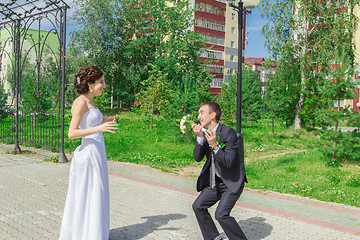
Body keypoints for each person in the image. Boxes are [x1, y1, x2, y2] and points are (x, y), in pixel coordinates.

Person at [59, 66, 118, 240]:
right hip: (87, 155)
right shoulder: (80, 102)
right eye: (101, 82)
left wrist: (104, 120)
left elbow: (90, 122)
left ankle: (94, 232)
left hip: (97, 151)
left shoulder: (91, 102)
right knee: (88, 193)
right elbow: (72, 133)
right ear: (90, 83)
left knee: (97, 193)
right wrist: (100, 127)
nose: (104, 85)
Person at [191, 102, 248, 240]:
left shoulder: (229, 133)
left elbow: (229, 162)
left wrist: (215, 146)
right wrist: (199, 137)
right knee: (198, 206)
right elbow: (197, 158)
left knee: (221, 214)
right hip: (214, 182)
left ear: (212, 115)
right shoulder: (205, 133)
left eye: (201, 113)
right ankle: (214, 238)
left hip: (231, 181)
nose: (199, 116)